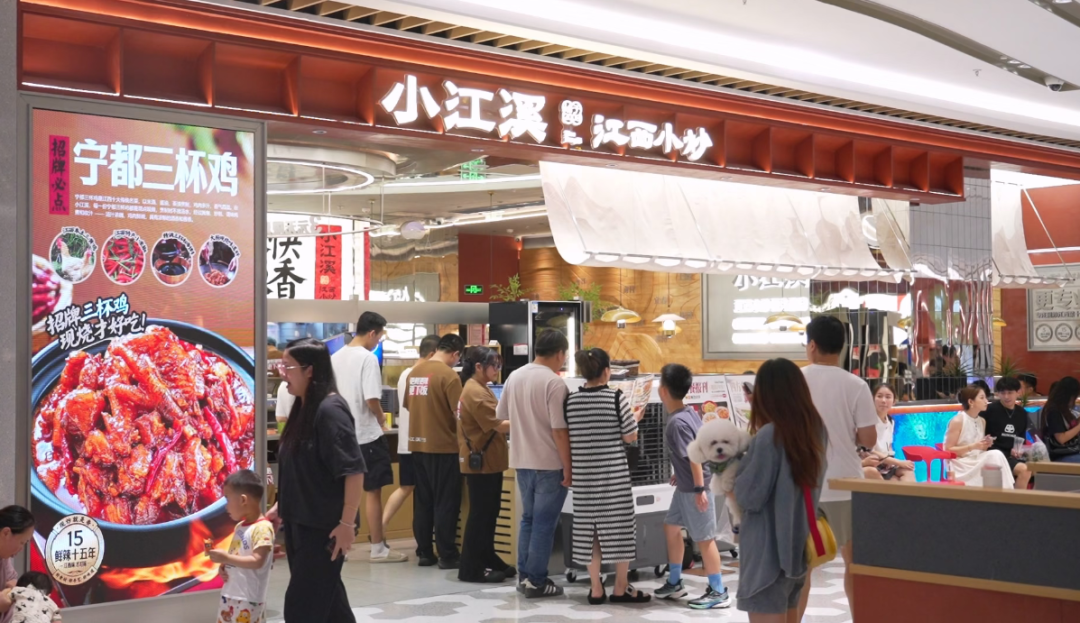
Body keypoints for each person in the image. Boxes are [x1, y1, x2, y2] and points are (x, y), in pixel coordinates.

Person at [267, 338, 366, 623]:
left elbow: (353, 471)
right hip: (300, 522)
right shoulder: (303, 408)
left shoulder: (330, 410)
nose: (281, 373)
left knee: (302, 607)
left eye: (287, 367)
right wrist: (280, 507)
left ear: (309, 370)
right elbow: (302, 470)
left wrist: (347, 524)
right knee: (331, 604)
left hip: (324, 528)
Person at [735, 358, 828, 623]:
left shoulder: (769, 436)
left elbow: (749, 497)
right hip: (798, 547)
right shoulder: (815, 430)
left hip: (766, 554)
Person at [800, 315, 877, 614]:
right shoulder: (856, 384)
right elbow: (868, 439)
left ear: (812, 345)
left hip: (804, 484)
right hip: (846, 483)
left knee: (801, 568)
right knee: (854, 564)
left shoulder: (795, 380)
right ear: (842, 347)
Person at [564, 348, 648, 605]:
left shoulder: (571, 401)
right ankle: (620, 587)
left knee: (590, 531)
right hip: (613, 475)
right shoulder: (615, 397)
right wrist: (635, 417)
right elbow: (630, 436)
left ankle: (595, 588)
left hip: (583, 476)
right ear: (606, 371)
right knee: (620, 527)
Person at [497, 329, 571, 599]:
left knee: (528, 520)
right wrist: (568, 466)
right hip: (549, 462)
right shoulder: (554, 383)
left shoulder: (514, 376)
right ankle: (537, 581)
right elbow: (559, 430)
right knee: (543, 524)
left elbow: (501, 417)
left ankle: (525, 577)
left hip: (521, 460)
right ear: (560, 353)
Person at [654, 363, 732, 610]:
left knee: (705, 539)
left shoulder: (676, 423)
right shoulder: (688, 413)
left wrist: (699, 490)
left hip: (696, 489)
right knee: (671, 527)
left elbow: (695, 457)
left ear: (663, 391)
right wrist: (680, 474)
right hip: (686, 487)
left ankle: (718, 592)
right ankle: (675, 582)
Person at [331, 312, 407, 564]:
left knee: (342, 494)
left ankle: (340, 547)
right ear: (372, 333)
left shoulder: (334, 358)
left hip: (340, 436)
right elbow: (372, 398)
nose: (379, 342)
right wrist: (381, 419)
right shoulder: (367, 358)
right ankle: (377, 548)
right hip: (366, 435)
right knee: (373, 492)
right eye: (380, 336)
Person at [405, 333, 466, 569]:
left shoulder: (414, 373)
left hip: (417, 445)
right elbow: (459, 414)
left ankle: (424, 552)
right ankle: (447, 554)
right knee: (445, 502)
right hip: (443, 447)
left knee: (423, 502)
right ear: (455, 353)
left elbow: (408, 406)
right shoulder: (449, 376)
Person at [456, 346, 514, 584]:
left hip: (489, 461)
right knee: (480, 515)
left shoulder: (480, 387)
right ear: (479, 366)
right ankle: (470, 569)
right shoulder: (475, 392)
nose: (497, 370)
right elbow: (499, 424)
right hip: (481, 462)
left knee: (490, 512)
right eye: (494, 365)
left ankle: (488, 557)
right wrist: (529, 419)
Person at [384, 335, 441, 533]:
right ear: (433, 354)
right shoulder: (422, 375)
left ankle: (380, 527)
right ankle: (380, 527)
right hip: (419, 443)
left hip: (407, 442)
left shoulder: (405, 374)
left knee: (408, 487)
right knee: (417, 490)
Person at [209, 470, 274, 623]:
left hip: (248, 598)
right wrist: (224, 566)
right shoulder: (239, 527)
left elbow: (257, 561)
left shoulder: (263, 528)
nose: (226, 506)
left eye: (227, 499)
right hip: (230, 593)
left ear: (243, 500)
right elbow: (238, 555)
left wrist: (227, 558)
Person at [944, 386, 1016, 488]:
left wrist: (984, 445)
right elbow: (948, 450)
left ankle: (1001, 491)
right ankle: (1004, 492)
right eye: (982, 398)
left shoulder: (982, 421)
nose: (986, 401)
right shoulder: (958, 421)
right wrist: (973, 446)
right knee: (995, 455)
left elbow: (980, 450)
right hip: (960, 464)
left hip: (975, 460)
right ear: (971, 402)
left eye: (985, 398)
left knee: (996, 454)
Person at [982, 377, 1033, 488]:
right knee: (1024, 470)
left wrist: (1018, 450)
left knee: (1035, 468)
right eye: (1002, 393)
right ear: (998, 394)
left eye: (1010, 393)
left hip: (1011, 456)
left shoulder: (1022, 413)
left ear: (1018, 392)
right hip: (993, 454)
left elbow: (1021, 439)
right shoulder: (988, 410)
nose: (1006, 397)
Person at [861, 384, 915, 482]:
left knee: (908, 471)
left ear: (894, 401)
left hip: (886, 464)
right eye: (879, 396)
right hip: (872, 463)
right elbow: (870, 451)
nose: (883, 400)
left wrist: (891, 460)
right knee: (869, 471)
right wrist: (898, 462)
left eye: (888, 397)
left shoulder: (890, 421)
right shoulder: (866, 421)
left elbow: (889, 445)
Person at [0, 506, 35, 623]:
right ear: (6, 533)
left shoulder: (4, 557)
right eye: (22, 542)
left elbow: (11, 580)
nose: (21, 549)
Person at [1040, 376, 1080, 464]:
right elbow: (1061, 438)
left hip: (1071, 451)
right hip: (1062, 454)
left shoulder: (1062, 409)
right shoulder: (1053, 412)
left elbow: (1069, 428)